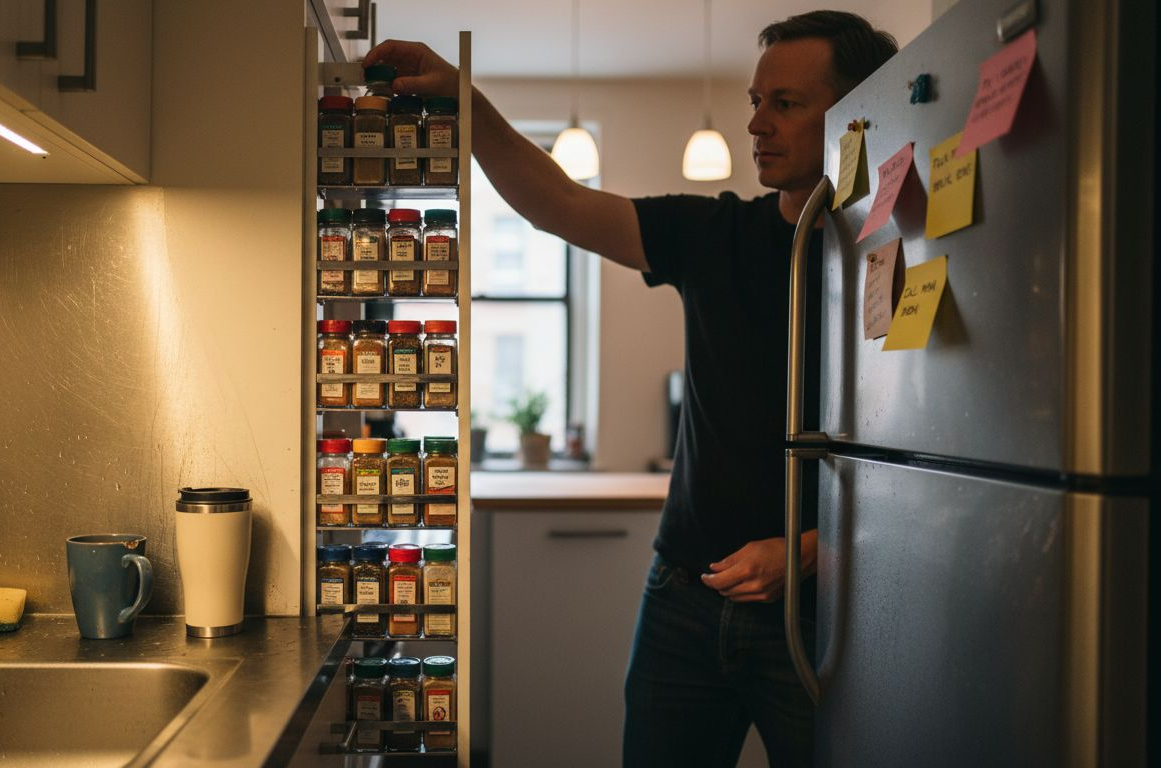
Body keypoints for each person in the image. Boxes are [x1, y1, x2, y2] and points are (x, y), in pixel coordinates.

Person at [366, 10, 897, 767]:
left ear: (854, 115)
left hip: (827, 614)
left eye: (785, 104)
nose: (757, 124)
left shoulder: (890, 255)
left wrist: (814, 550)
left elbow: (927, 460)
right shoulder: (714, 235)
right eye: (754, 101)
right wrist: (463, 102)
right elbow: (559, 204)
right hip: (685, 598)